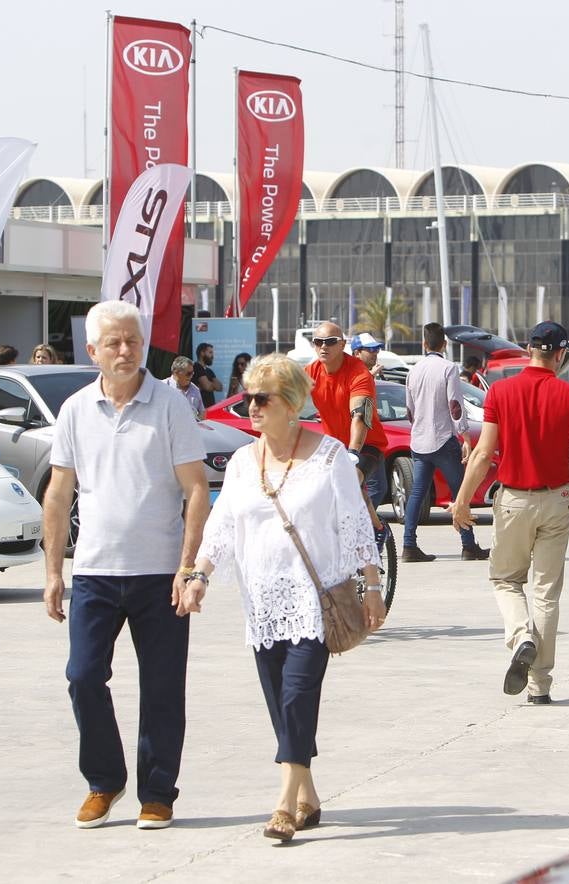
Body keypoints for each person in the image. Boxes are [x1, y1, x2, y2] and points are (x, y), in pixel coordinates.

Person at [190, 354, 385, 842]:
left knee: (298, 695)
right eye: (249, 397)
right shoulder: (240, 462)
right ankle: (308, 794)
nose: (251, 407)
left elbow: (356, 524)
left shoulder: (330, 456)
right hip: (261, 602)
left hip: (314, 602)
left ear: (292, 403)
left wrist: (373, 584)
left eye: (263, 399)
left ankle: (282, 803)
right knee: (280, 701)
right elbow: (221, 526)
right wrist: (199, 575)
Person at [41, 299, 210, 831]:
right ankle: (104, 780)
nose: (124, 350)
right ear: (93, 350)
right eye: (112, 342)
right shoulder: (74, 410)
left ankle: (157, 792)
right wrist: (52, 574)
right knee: (82, 677)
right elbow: (58, 492)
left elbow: (197, 489)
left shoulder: (170, 405)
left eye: (132, 341)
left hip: (159, 573)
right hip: (94, 571)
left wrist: (187, 567)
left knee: (162, 688)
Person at [451, 321, 569, 705]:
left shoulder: (501, 393)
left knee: (505, 579)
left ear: (528, 349)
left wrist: (462, 501)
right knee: (546, 593)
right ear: (560, 355)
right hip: (557, 501)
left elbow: (484, 453)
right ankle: (540, 685)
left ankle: (520, 635)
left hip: (514, 501)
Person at [401, 322, 490, 563]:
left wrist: (419, 428)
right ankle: (468, 545)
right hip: (442, 439)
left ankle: (408, 545)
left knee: (417, 493)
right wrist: (466, 438)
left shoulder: (414, 370)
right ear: (445, 344)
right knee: (460, 491)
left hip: (419, 441)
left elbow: (410, 410)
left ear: (423, 343)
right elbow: (455, 406)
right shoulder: (448, 368)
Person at [305, 322, 391, 547]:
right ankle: (368, 528)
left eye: (331, 342)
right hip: (335, 445)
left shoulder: (359, 373)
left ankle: (368, 532)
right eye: (318, 342)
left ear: (342, 344)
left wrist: (352, 452)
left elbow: (360, 417)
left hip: (367, 445)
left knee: (351, 478)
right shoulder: (310, 372)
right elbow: (288, 404)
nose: (324, 347)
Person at [164, 356, 206, 420]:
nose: (191, 376)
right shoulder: (163, 386)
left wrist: (196, 424)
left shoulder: (195, 389)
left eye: (192, 373)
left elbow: (202, 412)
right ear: (176, 372)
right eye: (188, 373)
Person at [193, 343, 225, 408]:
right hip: (200, 409)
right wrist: (211, 386)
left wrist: (208, 385)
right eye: (210, 352)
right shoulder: (196, 367)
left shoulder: (209, 371)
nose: (212, 356)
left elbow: (220, 387)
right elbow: (207, 387)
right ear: (202, 353)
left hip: (210, 408)